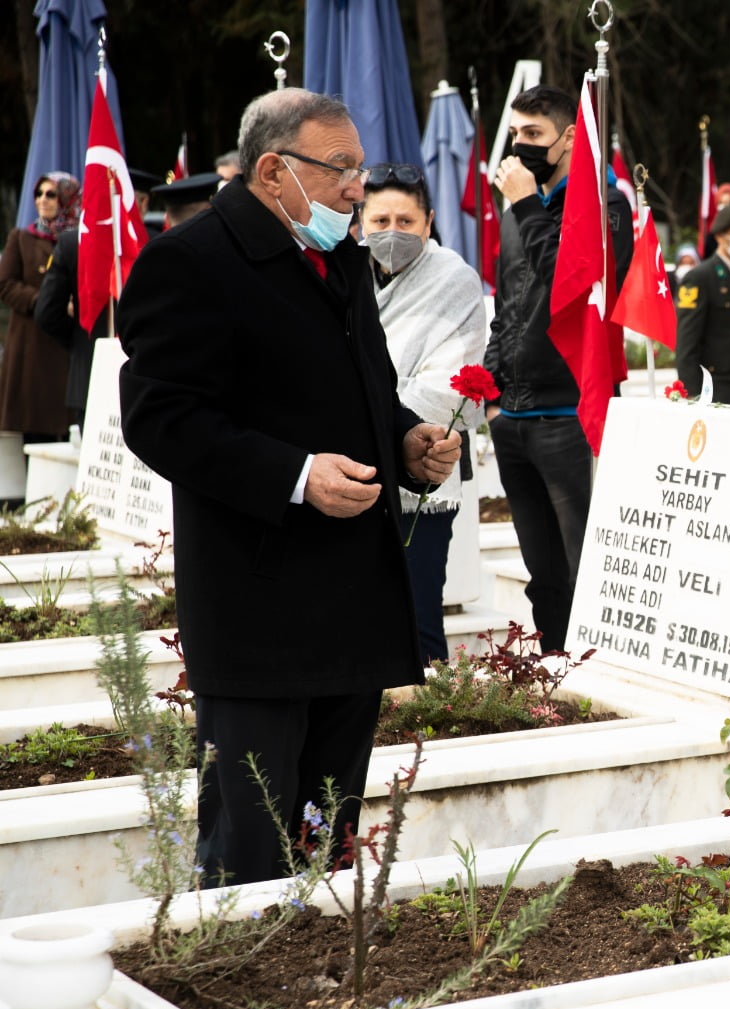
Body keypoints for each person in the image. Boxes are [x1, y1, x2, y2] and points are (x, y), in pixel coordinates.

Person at [117, 88, 463, 887]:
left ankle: (321, 980)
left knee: (329, 834)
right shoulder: (191, 262)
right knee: (254, 840)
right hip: (259, 608)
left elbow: (363, 381)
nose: (359, 190)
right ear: (274, 171)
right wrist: (297, 476)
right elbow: (162, 418)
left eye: (361, 169)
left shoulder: (338, 252)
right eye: (341, 169)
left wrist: (405, 437)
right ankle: (242, 987)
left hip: (353, 598)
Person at [485, 84, 633, 654]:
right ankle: (552, 669)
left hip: (569, 414)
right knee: (542, 571)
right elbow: (509, 304)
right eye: (516, 134)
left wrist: (525, 206)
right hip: (514, 417)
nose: (521, 147)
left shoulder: (602, 204)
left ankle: (595, 668)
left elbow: (568, 287)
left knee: (582, 562)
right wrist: (493, 389)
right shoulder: (521, 209)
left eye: (534, 135)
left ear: (569, 137)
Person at [363, 162, 489, 664]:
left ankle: (430, 720)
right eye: (380, 221)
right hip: (352, 474)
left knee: (416, 617)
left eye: (406, 221)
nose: (392, 232)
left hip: (424, 473)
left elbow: (448, 387)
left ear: (429, 221)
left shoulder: (454, 281)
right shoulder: (344, 273)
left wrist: (370, 409)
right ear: (360, 221)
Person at [38, 170, 197, 426]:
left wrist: (82, 341)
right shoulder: (162, 244)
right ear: (143, 203)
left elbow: (47, 313)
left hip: (90, 375)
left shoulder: (71, 242)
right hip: (148, 380)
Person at [0, 172, 80, 443]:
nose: (42, 200)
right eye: (38, 194)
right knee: (36, 431)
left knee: (71, 431)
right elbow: (5, 284)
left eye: (51, 194)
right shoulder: (22, 238)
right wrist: (46, 301)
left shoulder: (79, 240)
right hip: (32, 347)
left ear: (67, 198)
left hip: (69, 344)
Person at [676, 201, 730, 404]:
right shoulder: (699, 277)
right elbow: (687, 344)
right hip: (716, 391)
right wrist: (693, 395)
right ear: (720, 236)